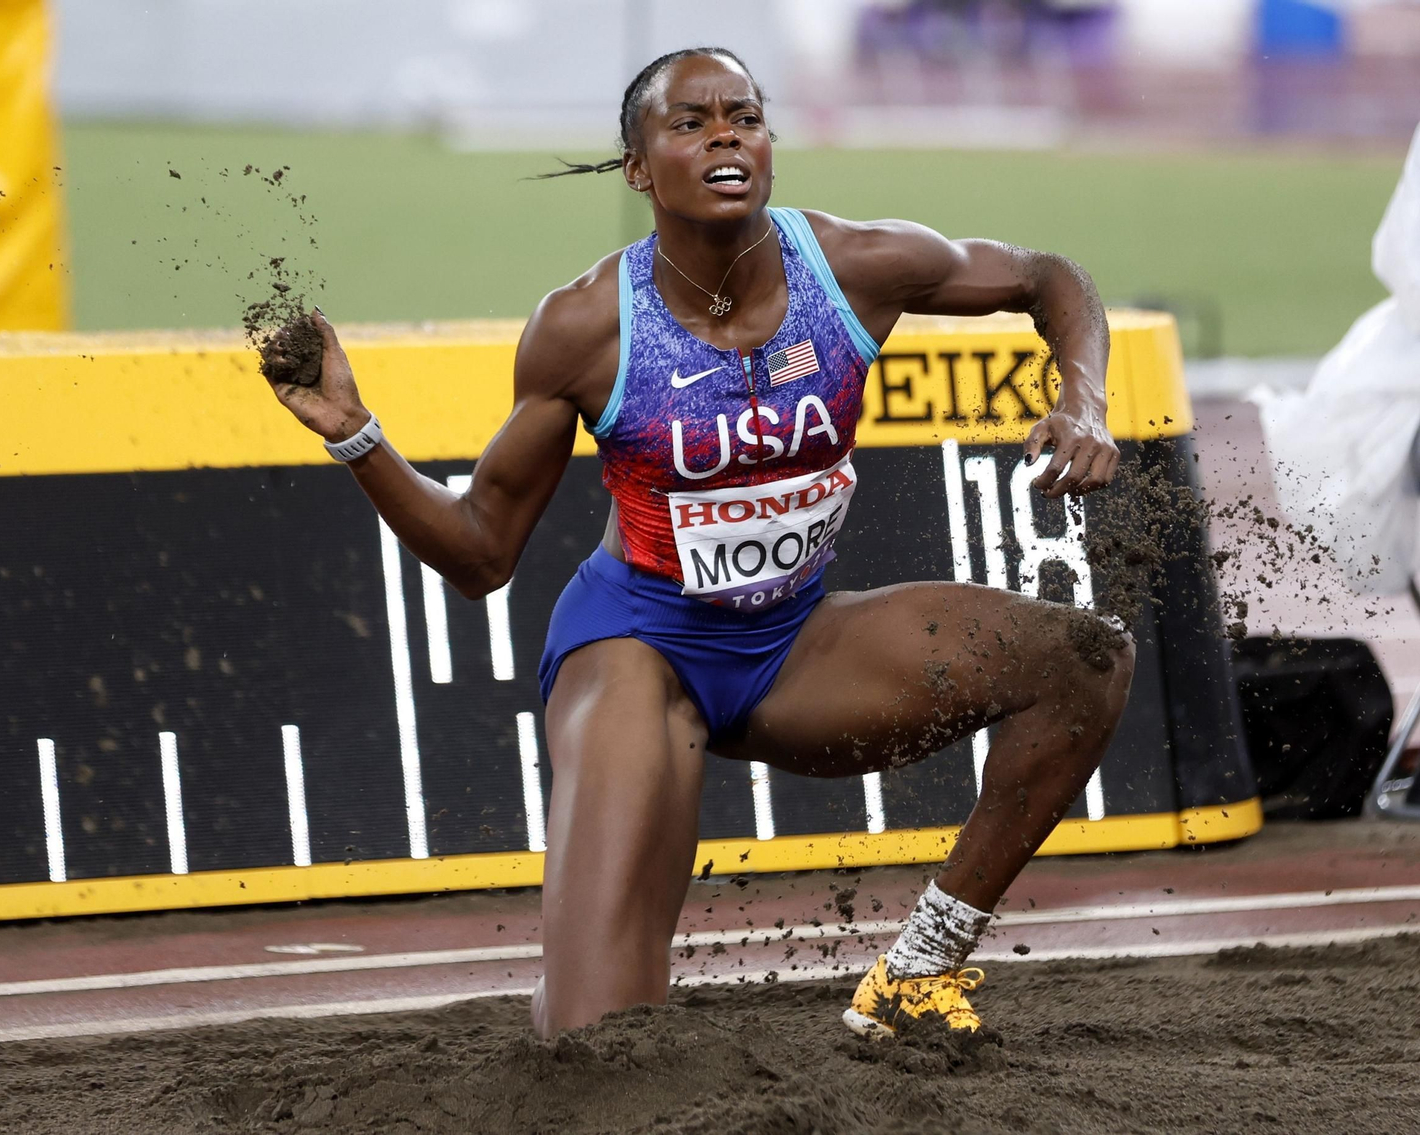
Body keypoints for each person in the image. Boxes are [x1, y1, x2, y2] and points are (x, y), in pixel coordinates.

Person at [264, 46, 1133, 1042]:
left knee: (1086, 659)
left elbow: (1047, 278)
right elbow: (478, 553)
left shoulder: (852, 266)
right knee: (601, 1037)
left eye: (745, 115)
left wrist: (1084, 402)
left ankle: (917, 970)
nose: (725, 133)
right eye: (691, 121)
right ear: (638, 166)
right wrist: (357, 437)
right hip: (642, 651)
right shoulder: (585, 327)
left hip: (796, 646)